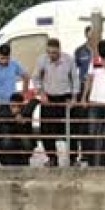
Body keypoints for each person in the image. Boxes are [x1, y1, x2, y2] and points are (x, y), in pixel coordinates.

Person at [34, 38, 80, 167]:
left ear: (59, 50)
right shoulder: (42, 60)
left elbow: (75, 79)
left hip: (65, 98)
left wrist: (74, 98)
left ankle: (73, 158)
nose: (51, 55)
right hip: (48, 98)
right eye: (49, 52)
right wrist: (41, 94)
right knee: (46, 130)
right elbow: (36, 78)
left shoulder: (69, 60)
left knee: (70, 130)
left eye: (54, 53)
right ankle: (52, 158)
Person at [82, 39, 105, 167]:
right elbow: (89, 80)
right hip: (94, 101)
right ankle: (92, 161)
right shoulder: (94, 62)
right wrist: (84, 97)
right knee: (92, 132)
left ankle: (103, 162)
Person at [72, 25, 100, 165]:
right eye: (90, 34)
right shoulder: (79, 51)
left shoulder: (101, 51)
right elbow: (75, 72)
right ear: (86, 35)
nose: (92, 36)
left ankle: (92, 153)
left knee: (94, 124)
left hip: (97, 90)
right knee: (82, 123)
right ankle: (82, 153)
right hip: (83, 90)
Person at [0, 43, 29, 123]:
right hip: (0, 104)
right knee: (3, 129)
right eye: (2, 58)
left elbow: (26, 76)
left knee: (14, 130)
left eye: (7, 58)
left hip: (14, 104)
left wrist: (23, 95)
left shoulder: (14, 64)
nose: (4, 61)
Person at [0, 93, 36, 166]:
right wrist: (13, 117)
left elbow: (34, 102)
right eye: (13, 106)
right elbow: (0, 118)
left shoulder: (25, 111)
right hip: (8, 138)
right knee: (7, 142)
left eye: (19, 106)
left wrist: (22, 121)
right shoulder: (3, 110)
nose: (16, 108)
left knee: (26, 142)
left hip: (20, 137)